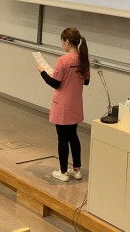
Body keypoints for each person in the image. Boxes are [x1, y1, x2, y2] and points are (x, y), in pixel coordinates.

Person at [37, 28, 90, 182]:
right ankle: (77, 170)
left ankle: (63, 172)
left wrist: (42, 72)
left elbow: (55, 83)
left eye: (62, 41)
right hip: (75, 104)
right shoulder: (83, 59)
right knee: (73, 136)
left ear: (67, 41)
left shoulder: (63, 60)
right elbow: (86, 81)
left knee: (62, 138)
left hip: (62, 105)